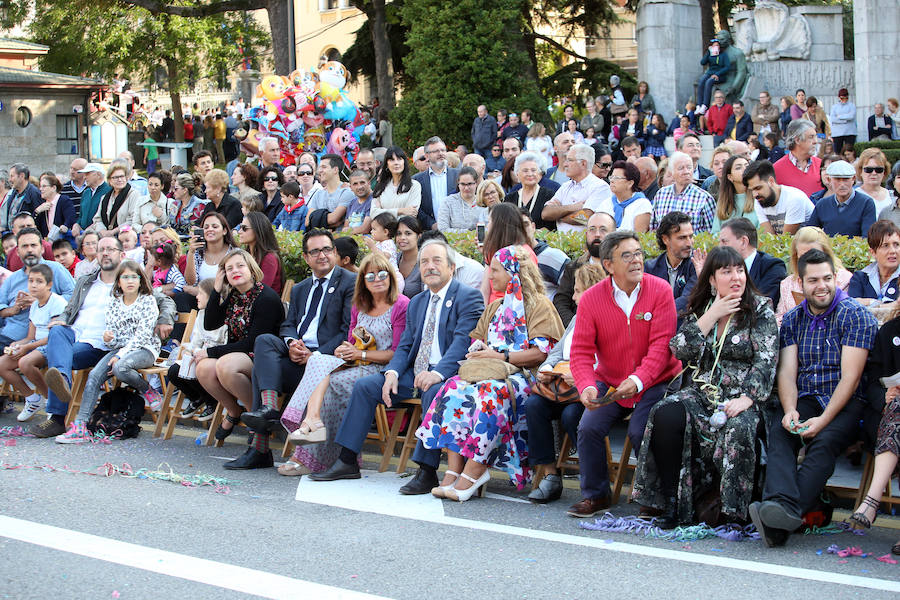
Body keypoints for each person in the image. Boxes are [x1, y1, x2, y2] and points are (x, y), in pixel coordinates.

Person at [308, 239, 485, 494]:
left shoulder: (467, 297)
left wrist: (436, 374)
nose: (430, 266)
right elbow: (405, 346)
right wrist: (391, 372)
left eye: (437, 261)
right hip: (413, 371)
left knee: (436, 392)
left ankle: (426, 471)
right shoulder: (417, 301)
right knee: (366, 386)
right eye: (424, 262)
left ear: (452, 267)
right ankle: (347, 461)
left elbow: (461, 343)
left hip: (448, 373)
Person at [634, 246, 778, 526]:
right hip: (703, 392)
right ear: (712, 279)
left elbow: (767, 360)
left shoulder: (760, 309)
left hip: (742, 396)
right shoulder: (702, 308)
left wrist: (748, 398)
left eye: (739, 270)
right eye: (726, 271)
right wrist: (713, 314)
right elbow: (679, 349)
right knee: (666, 412)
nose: (736, 277)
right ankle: (672, 502)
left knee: (739, 426)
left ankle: (731, 512)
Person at [749, 249, 878, 548]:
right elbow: (787, 372)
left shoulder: (855, 315)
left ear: (836, 279)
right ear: (801, 283)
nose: (822, 286)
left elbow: (851, 378)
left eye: (828, 278)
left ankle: (780, 518)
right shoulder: (793, 318)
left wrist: (822, 420)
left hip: (846, 401)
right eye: (814, 280)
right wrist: (791, 409)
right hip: (807, 395)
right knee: (781, 429)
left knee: (824, 443)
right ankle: (781, 507)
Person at [416, 245, 564, 498]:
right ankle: (454, 470)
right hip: (490, 371)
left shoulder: (539, 305)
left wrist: (502, 355)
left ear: (513, 272)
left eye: (495, 270)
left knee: (490, 393)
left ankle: (476, 468)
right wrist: (479, 349)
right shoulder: (496, 307)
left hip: (523, 376)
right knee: (452, 388)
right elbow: (477, 339)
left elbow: (541, 353)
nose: (490, 276)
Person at [567, 231, 682, 517]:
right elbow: (580, 353)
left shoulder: (660, 290)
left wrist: (638, 380)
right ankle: (597, 495)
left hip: (657, 379)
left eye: (639, 253)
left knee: (641, 429)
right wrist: (586, 387)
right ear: (608, 265)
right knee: (588, 427)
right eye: (627, 255)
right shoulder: (592, 299)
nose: (636, 260)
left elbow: (662, 347)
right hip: (611, 380)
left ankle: (654, 497)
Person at [280, 253, 410, 475]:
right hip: (355, 364)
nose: (377, 279)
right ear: (363, 281)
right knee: (318, 363)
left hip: (381, 369)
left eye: (382, 274)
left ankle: (311, 455)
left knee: (332, 385)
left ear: (391, 276)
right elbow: (352, 341)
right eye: (370, 276)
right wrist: (344, 350)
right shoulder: (358, 305)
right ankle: (311, 427)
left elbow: (398, 353)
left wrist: (359, 354)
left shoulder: (401, 305)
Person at [32, 237, 175, 438]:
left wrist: (164, 319)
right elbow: (69, 309)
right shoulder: (85, 281)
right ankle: (63, 380)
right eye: (101, 250)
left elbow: (163, 300)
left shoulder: (129, 281)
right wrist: (62, 319)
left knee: (58, 358)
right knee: (56, 331)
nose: (105, 253)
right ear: (95, 255)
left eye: (110, 249)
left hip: (101, 345)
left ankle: (57, 417)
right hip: (74, 337)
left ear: (122, 254)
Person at [239, 230, 355, 446]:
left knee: (259, 370)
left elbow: (346, 330)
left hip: (325, 361)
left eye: (327, 249)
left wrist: (315, 355)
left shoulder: (349, 282)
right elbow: (288, 325)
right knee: (265, 341)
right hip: (298, 356)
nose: (322, 255)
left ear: (335, 252)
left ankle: (258, 448)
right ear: (305, 257)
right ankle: (270, 408)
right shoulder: (301, 288)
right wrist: (292, 344)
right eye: (315, 251)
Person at [190, 249, 284, 467]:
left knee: (224, 365)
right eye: (229, 269)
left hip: (265, 359)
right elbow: (211, 323)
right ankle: (234, 410)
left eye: (240, 266)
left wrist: (211, 352)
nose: (235, 271)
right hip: (238, 354)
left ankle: (258, 422)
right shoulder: (234, 295)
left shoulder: (266, 298)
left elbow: (252, 343)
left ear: (251, 269)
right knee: (203, 368)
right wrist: (216, 288)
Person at [55, 261, 163, 442]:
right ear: (119, 281)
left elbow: (142, 337)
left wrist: (119, 355)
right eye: (125, 277)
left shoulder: (148, 301)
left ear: (140, 280)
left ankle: (147, 389)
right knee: (95, 375)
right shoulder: (114, 302)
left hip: (145, 349)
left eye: (134, 277)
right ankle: (80, 427)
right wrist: (109, 339)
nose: (130, 281)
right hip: (121, 350)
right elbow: (117, 339)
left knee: (120, 368)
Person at [525, 263, 606, 502]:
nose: (573, 296)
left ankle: (592, 475)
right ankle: (551, 475)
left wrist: (583, 373)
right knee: (534, 406)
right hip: (561, 384)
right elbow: (557, 351)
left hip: (587, 387)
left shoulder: (608, 320)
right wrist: (547, 369)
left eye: (579, 290)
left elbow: (608, 360)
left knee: (572, 414)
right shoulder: (577, 318)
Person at [851, 304, 900, 556]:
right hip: (886, 416)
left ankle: (871, 501)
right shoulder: (890, 331)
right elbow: (871, 382)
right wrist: (885, 395)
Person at [0, 264, 68, 421]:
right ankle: (32, 398)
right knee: (2, 364)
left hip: (54, 345)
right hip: (36, 344)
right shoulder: (35, 304)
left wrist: (26, 347)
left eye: (39, 281)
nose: (34, 285)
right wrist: (17, 344)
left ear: (49, 284)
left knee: (25, 362)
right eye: (31, 281)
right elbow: (31, 335)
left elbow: (54, 336)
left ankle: (50, 401)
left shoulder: (57, 302)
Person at [0, 227, 75, 352]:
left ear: (42, 249)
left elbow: (74, 296)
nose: (29, 250)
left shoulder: (55, 269)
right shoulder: (12, 279)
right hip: (8, 333)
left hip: (40, 336)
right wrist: (13, 309)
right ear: (17, 252)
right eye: (25, 246)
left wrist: (43, 300)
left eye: (33, 245)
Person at [171, 278, 228, 422]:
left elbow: (225, 345)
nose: (196, 296)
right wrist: (191, 352)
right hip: (200, 355)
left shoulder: (225, 318)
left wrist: (204, 354)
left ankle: (211, 401)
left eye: (201, 293)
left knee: (198, 368)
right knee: (174, 371)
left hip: (216, 358)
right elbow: (196, 340)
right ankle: (199, 398)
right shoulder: (201, 314)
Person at [776, 226, 853, 325]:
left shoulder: (844, 279)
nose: (811, 260)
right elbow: (779, 317)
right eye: (804, 256)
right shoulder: (787, 283)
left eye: (815, 254)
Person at [554, 211, 615, 326]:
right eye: (592, 229)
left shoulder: (619, 269)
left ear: (613, 235)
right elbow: (561, 302)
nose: (597, 234)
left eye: (603, 230)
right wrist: (575, 326)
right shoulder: (573, 267)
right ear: (586, 234)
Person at [541, 144, 611, 233]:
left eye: (569, 160)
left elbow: (586, 217)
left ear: (583, 163)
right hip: (561, 244)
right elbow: (546, 213)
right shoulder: (565, 186)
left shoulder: (601, 187)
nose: (565, 164)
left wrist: (559, 216)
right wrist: (573, 207)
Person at [717, 217, 786, 307]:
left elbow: (763, 305)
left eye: (724, 241)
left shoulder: (772, 267)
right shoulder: (719, 267)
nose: (720, 246)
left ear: (743, 242)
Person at [805, 160, 876, 238]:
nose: (842, 184)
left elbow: (867, 238)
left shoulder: (866, 203)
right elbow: (810, 234)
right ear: (829, 180)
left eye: (846, 179)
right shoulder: (822, 204)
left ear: (853, 179)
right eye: (837, 180)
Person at [649, 152, 715, 233]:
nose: (686, 171)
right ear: (672, 172)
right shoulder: (661, 195)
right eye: (681, 168)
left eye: (689, 167)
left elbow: (712, 234)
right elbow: (654, 228)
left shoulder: (704, 198)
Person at [743, 159, 814, 235]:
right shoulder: (760, 201)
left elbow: (786, 239)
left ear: (771, 181)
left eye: (758, 188)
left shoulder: (794, 198)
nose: (754, 195)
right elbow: (769, 238)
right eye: (752, 190)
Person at [644, 212, 697, 312]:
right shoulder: (650, 268)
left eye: (691, 236)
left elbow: (687, 300)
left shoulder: (696, 264)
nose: (689, 243)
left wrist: (661, 313)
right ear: (665, 239)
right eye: (682, 238)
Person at [847, 219, 900, 306]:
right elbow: (851, 306)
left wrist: (867, 303)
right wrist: (875, 303)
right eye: (885, 246)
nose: (892, 251)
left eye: (896, 245)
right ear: (873, 252)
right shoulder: (860, 278)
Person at [413, 137, 459, 230]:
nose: (441, 153)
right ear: (426, 156)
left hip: (455, 229)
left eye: (443, 150)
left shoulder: (458, 175)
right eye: (436, 151)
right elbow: (417, 207)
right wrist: (432, 224)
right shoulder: (416, 180)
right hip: (429, 231)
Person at [503, 152, 555, 231]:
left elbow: (552, 226)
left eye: (533, 170)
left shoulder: (549, 195)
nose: (530, 174)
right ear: (517, 174)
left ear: (539, 173)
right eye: (525, 171)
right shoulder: (509, 198)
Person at [370, 146, 422, 222]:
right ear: (387, 164)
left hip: (404, 231)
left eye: (399, 159)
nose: (396, 163)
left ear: (404, 162)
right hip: (383, 232)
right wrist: (400, 211)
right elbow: (373, 213)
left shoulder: (414, 185)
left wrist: (383, 212)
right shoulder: (381, 186)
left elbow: (411, 214)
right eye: (392, 160)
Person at [773, 119, 823, 197]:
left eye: (815, 137)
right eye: (811, 137)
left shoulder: (822, 166)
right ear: (797, 140)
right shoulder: (776, 169)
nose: (815, 141)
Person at [89, 162, 141, 237]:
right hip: (106, 238)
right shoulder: (105, 198)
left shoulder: (134, 195)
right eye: (115, 177)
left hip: (125, 237)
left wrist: (113, 231)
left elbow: (133, 219)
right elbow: (97, 219)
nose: (120, 180)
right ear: (109, 180)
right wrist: (103, 231)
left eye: (122, 176)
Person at [239, 211, 283, 295]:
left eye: (244, 228)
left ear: (257, 229)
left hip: (264, 304)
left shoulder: (269, 258)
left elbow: (261, 290)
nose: (240, 231)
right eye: (240, 227)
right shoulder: (245, 255)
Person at [599, 160, 651, 232]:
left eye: (616, 178)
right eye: (611, 177)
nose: (612, 181)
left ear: (630, 183)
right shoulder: (606, 203)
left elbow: (639, 235)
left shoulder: (642, 204)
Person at [712, 155, 754, 233]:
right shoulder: (723, 202)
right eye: (738, 168)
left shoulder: (758, 197)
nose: (745, 169)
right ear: (730, 177)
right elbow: (715, 233)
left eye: (747, 166)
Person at [437, 166, 484, 233]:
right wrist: (469, 232)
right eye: (463, 184)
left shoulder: (483, 202)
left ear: (476, 183)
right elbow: (443, 229)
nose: (466, 188)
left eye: (470, 184)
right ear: (458, 184)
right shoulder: (447, 202)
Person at [34, 173, 76, 239]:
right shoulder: (42, 204)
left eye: (44, 186)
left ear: (53, 188)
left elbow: (71, 217)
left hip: (62, 240)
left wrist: (65, 226)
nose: (40, 189)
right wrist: (37, 211)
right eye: (40, 186)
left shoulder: (63, 200)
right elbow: (34, 225)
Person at [696, 39, 730, 115]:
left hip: (720, 75)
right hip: (710, 72)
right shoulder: (710, 54)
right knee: (701, 81)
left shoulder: (723, 55)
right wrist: (708, 52)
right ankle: (699, 105)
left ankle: (705, 105)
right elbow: (703, 62)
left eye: (717, 45)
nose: (716, 47)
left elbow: (727, 67)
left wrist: (717, 74)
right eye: (714, 46)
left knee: (709, 82)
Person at [3, 164, 42, 231]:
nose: (9, 180)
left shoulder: (34, 193)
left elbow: (39, 219)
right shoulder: (13, 193)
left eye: (12, 176)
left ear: (22, 176)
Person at [168, 172, 207, 237]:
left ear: (185, 190)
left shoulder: (199, 206)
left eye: (176, 189)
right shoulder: (174, 204)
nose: (173, 191)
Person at [857, 148, 893, 215]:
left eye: (879, 169)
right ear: (860, 171)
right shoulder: (853, 197)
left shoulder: (892, 197)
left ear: (884, 172)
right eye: (868, 169)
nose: (874, 173)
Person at [395, 216, 424, 298]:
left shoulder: (425, 263)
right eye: (399, 234)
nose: (402, 238)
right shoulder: (393, 260)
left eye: (408, 233)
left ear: (418, 237)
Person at [829, 88, 857, 155]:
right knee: (838, 152)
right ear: (839, 98)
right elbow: (832, 119)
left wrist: (839, 117)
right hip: (837, 133)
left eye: (846, 98)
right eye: (842, 98)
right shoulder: (834, 107)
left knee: (849, 151)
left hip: (850, 132)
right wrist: (845, 120)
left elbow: (851, 116)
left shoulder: (852, 105)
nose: (844, 100)